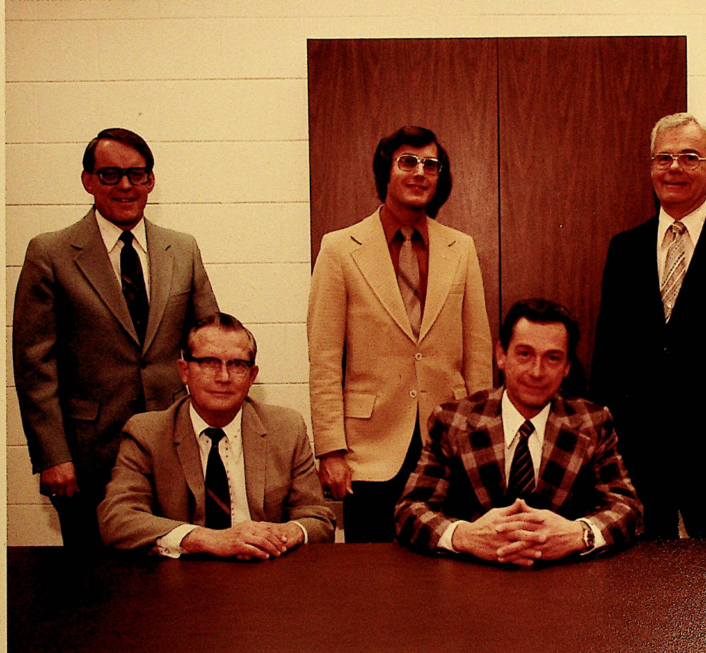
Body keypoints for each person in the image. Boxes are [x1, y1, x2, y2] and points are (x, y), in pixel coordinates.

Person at [12, 128, 218, 548]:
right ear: (88, 180)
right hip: (87, 456)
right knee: (93, 584)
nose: (125, 185)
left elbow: (211, 345)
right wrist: (53, 457)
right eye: (110, 174)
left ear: (150, 181)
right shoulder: (50, 253)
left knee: (178, 570)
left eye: (136, 174)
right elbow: (35, 368)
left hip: (173, 447)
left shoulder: (182, 249)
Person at [589, 112, 706, 539]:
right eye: (664, 158)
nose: (674, 167)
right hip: (636, 455)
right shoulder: (624, 249)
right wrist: (601, 447)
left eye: (690, 157)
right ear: (651, 168)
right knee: (636, 585)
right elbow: (607, 356)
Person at [308, 125, 492, 542]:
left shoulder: (460, 248)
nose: (420, 173)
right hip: (369, 451)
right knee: (373, 584)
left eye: (431, 164)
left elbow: (478, 356)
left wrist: (482, 443)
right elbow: (323, 362)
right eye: (408, 161)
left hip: (447, 444)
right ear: (385, 173)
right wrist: (331, 451)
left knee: (447, 576)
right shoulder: (339, 249)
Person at [395, 299, 642, 564]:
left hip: (564, 582)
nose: (537, 372)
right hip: (472, 580)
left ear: (567, 366)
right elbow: (409, 511)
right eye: (524, 354)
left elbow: (628, 509)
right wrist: (464, 536)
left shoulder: (593, 422)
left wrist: (578, 534)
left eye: (553, 358)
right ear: (501, 355)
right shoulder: (453, 420)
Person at [98, 314, 334, 558]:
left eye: (237, 364)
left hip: (263, 571)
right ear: (184, 371)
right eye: (209, 362)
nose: (223, 377)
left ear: (252, 376)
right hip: (181, 575)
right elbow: (117, 519)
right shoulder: (147, 433)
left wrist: (284, 534)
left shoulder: (286, 428)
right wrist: (209, 539)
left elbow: (318, 519)